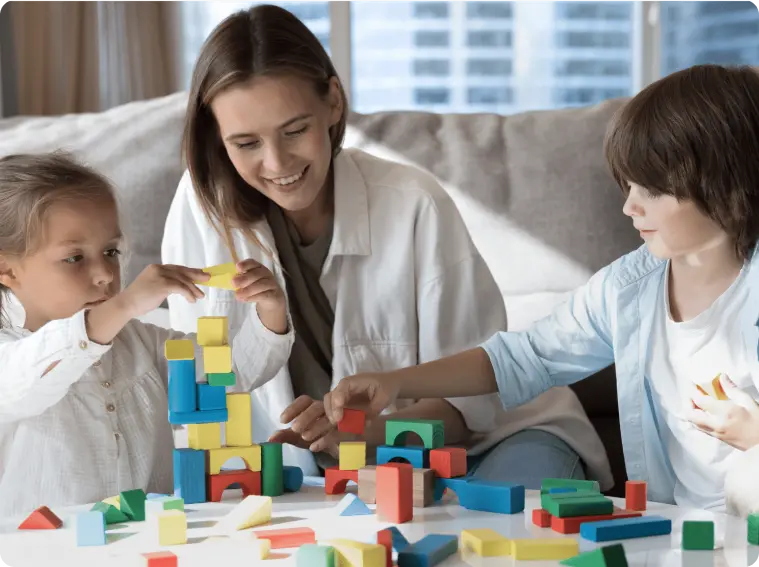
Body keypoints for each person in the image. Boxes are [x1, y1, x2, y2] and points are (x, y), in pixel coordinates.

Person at [161, 4, 612, 488]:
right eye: (246, 143)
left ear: (333, 102)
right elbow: (203, 394)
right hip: (346, 478)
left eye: (295, 131)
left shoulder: (413, 203)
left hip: (492, 441)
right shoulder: (201, 209)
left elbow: (471, 408)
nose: (277, 162)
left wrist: (363, 435)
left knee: (502, 541)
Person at [323, 64, 759, 512]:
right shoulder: (629, 289)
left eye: (651, 189)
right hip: (682, 528)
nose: (629, 206)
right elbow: (523, 358)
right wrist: (394, 382)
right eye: (628, 186)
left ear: (726, 185)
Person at [0, 152, 277, 518]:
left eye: (111, 251)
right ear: (7, 269)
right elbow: (29, 377)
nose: (103, 273)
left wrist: (269, 310)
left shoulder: (142, 343)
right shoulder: (11, 354)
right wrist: (124, 305)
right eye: (74, 258)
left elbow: (234, 372)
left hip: (147, 543)